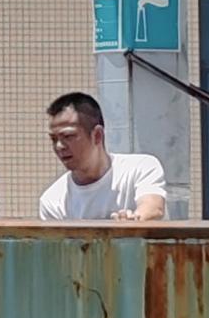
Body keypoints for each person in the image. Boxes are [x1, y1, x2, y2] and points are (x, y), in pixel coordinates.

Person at [39, 91, 167, 221]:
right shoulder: (52, 200)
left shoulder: (141, 168)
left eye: (68, 137)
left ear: (97, 135)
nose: (59, 146)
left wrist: (132, 221)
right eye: (54, 139)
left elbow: (153, 208)